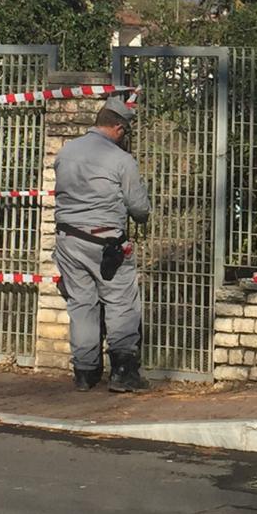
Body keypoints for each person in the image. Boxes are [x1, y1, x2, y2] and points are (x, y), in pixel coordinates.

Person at [52, 102, 151, 392]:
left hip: (68, 240)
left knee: (81, 304)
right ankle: (123, 371)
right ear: (119, 128)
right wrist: (143, 214)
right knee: (121, 302)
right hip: (106, 242)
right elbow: (139, 207)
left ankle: (85, 372)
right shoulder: (121, 159)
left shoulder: (66, 152)